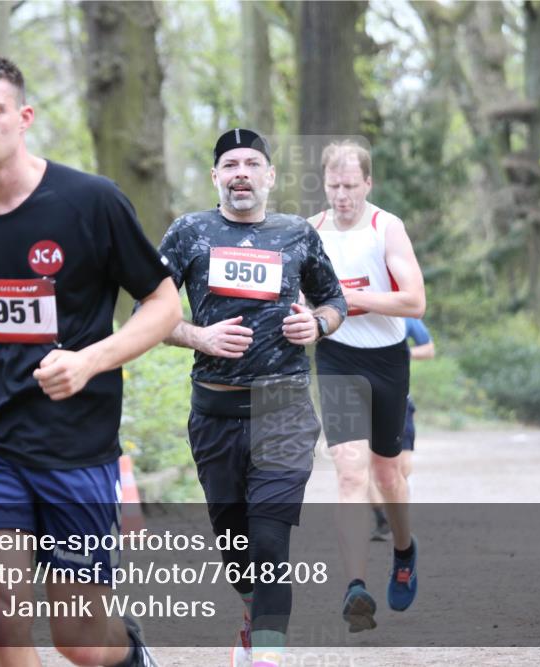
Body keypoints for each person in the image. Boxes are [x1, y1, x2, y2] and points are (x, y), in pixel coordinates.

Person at [0, 53, 180, 667]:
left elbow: (162, 303)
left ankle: (129, 652)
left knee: (81, 643)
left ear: (23, 117)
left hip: (75, 443)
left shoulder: (91, 201)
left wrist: (90, 361)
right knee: (2, 622)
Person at [153, 128, 346, 667]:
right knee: (237, 551)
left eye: (252, 163)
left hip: (283, 408)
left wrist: (319, 323)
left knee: (269, 542)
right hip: (215, 411)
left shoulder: (296, 234)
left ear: (270, 176)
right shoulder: (189, 232)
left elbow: (333, 299)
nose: (241, 172)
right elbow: (150, 315)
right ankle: (252, 615)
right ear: (216, 176)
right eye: (231, 164)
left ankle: (267, 656)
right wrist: (198, 335)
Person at [307, 140, 425, 632]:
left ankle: (403, 549)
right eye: (334, 186)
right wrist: (309, 314)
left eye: (351, 186)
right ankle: (356, 587)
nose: (342, 196)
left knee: (387, 474)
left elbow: (415, 301)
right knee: (350, 470)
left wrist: (355, 300)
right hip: (336, 358)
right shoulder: (311, 231)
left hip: (388, 361)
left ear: (368, 184)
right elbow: (297, 296)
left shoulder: (386, 227)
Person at [371, 317, 435, 541]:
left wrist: (403, 352)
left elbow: (428, 349)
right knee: (366, 466)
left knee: (402, 467)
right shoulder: (348, 311)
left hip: (398, 398)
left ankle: (398, 517)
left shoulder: (404, 316)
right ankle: (383, 521)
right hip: (358, 400)